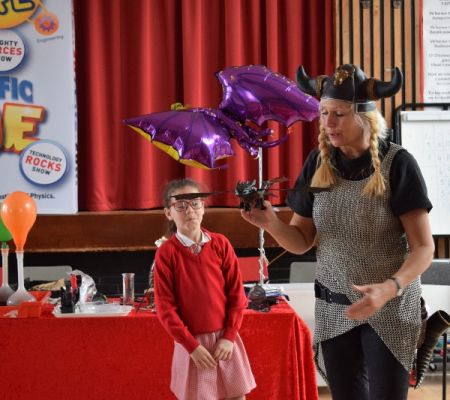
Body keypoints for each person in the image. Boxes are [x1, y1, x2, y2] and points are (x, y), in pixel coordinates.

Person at [241, 64, 435, 400]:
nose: (328, 123)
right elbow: (301, 242)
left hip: (389, 309)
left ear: (365, 118)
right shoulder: (318, 163)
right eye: (324, 113)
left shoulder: (398, 164)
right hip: (335, 309)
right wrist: (270, 222)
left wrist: (389, 288)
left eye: (339, 114)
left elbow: (423, 248)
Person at [153, 178, 256, 400]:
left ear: (203, 207)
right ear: (168, 213)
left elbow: (237, 296)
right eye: (181, 205)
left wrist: (229, 336)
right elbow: (165, 308)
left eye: (195, 203)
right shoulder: (166, 253)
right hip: (192, 346)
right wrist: (191, 346)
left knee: (236, 396)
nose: (190, 210)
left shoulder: (221, 244)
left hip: (225, 341)